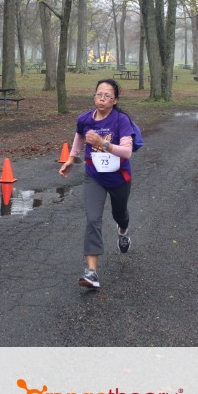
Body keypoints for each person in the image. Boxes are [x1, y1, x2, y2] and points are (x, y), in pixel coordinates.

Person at [58, 79, 136, 289]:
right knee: (93, 219)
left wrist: (103, 144)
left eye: (107, 96)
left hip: (119, 177)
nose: (102, 99)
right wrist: (71, 158)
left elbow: (127, 152)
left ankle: (123, 231)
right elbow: (79, 136)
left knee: (120, 215)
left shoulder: (121, 120)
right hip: (94, 176)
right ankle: (91, 272)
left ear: (115, 100)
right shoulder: (84, 119)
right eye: (99, 94)